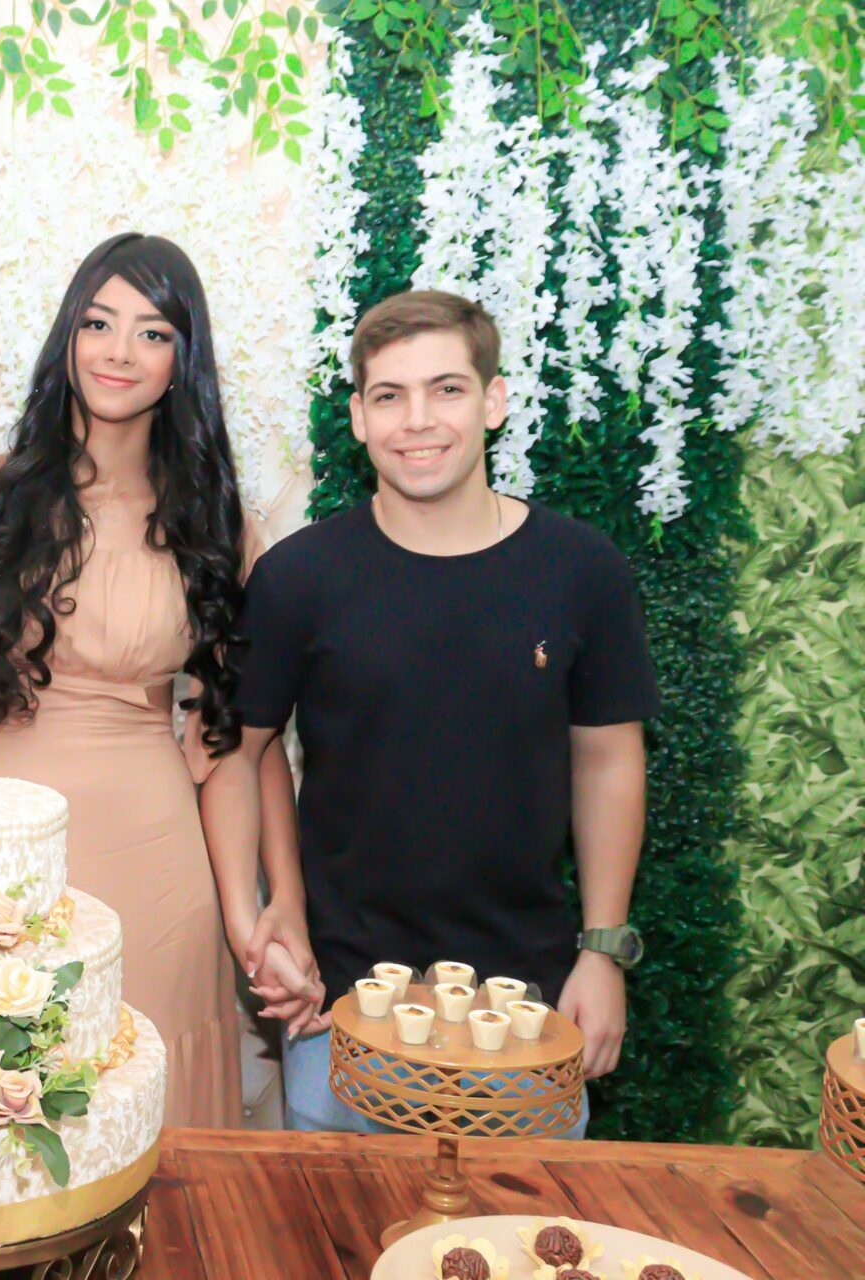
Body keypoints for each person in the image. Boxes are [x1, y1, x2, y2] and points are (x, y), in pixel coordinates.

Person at [213, 290, 659, 1133]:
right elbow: (237, 751)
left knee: (523, 1221)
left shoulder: (582, 570)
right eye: (390, 395)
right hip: (342, 1004)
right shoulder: (300, 578)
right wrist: (267, 917)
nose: (418, 420)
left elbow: (608, 759)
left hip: (525, 1005)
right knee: (335, 1220)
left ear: (494, 401)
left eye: (446, 389)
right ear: (359, 417)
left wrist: (604, 952)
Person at [0, 232, 314, 1127]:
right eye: (99, 323)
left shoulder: (221, 528)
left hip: (153, 854)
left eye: (153, 333)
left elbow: (239, 743)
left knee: (141, 1094)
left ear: (184, 360)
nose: (119, 351)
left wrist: (261, 913)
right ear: (67, 336)